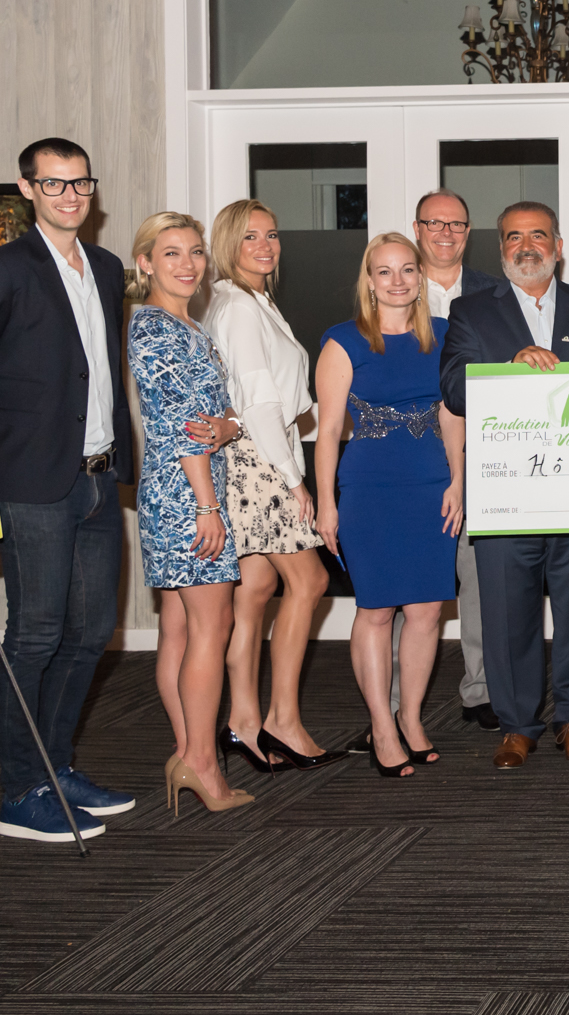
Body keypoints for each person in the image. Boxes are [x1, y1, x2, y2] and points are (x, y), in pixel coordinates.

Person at [0, 138, 138, 842]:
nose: (70, 195)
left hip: (97, 479)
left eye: (80, 183)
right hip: (31, 482)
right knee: (34, 635)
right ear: (27, 188)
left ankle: (56, 767)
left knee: (92, 633)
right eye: (55, 183)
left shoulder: (106, 267)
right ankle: (20, 792)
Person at [441, 202, 569, 768]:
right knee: (505, 612)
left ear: (558, 246)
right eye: (514, 236)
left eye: (538, 235)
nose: (526, 246)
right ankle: (517, 725)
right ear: (500, 248)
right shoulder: (470, 311)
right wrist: (508, 365)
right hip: (506, 491)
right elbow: (454, 389)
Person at [314, 234, 465, 779]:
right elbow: (328, 430)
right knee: (376, 610)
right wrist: (326, 504)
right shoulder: (343, 340)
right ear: (369, 281)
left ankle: (411, 717)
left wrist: (459, 480)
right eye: (385, 271)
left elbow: (452, 415)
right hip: (369, 490)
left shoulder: (444, 335)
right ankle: (381, 725)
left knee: (426, 611)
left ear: (420, 278)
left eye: (407, 270)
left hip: (431, 485)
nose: (397, 281)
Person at [201, 200, 340, 776]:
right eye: (250, 236)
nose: (266, 245)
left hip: (254, 454)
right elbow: (259, 402)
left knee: (256, 588)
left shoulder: (251, 300)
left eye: (272, 235)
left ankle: (242, 719)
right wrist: (295, 478)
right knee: (310, 580)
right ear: (228, 243)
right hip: (261, 459)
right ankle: (282, 719)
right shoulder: (237, 305)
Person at [128, 212, 255, 817]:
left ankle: (187, 752)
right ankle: (202, 763)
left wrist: (229, 424)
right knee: (212, 625)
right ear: (145, 262)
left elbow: (215, 414)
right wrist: (207, 505)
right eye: (171, 253)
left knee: (179, 627)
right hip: (187, 493)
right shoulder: (157, 328)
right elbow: (184, 427)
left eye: (196, 252)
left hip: (180, 486)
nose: (188, 264)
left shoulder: (186, 325)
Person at [402, 189, 502, 731]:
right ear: (417, 228)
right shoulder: (393, 286)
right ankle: (399, 701)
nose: (445, 233)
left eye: (456, 224)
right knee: (413, 582)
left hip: (481, 454)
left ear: (468, 232)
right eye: (434, 223)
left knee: (480, 578)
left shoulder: (496, 292)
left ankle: (481, 688)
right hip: (412, 457)